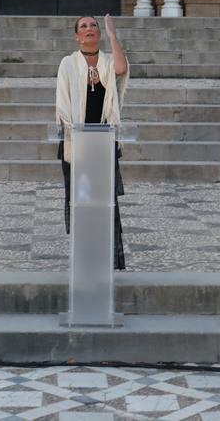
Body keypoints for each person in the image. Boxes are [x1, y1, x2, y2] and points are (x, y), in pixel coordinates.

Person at [55, 14, 129, 270]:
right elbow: (62, 104)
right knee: (81, 200)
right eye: (83, 26)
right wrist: (74, 132)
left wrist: (112, 35)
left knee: (104, 203)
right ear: (76, 36)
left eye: (94, 26)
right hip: (76, 146)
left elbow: (121, 70)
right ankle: (84, 259)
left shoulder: (108, 62)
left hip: (103, 144)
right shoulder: (68, 64)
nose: (89, 29)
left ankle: (107, 259)